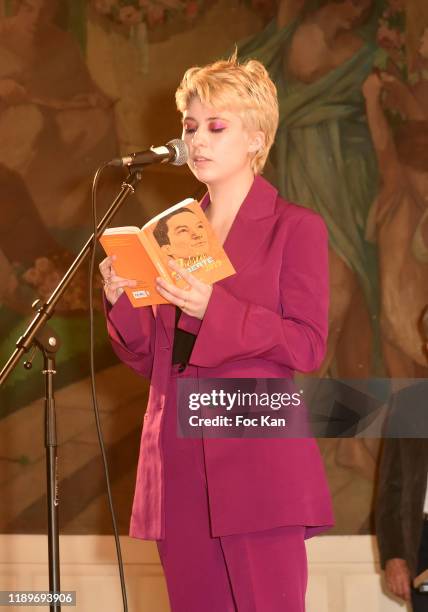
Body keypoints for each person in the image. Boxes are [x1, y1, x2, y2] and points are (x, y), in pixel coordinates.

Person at [100, 55, 333, 611]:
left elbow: (307, 343)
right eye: (189, 126)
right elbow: (153, 359)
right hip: (177, 462)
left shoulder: (294, 227)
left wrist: (214, 308)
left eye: (215, 126)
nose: (196, 139)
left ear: (256, 137)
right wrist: (122, 301)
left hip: (257, 465)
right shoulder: (176, 234)